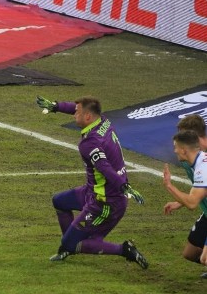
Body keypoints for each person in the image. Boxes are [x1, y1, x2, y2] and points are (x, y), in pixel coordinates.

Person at [36, 96, 149, 268]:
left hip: (105, 202)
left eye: (78, 113)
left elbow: (104, 167)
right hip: (92, 191)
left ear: (87, 116)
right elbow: (78, 108)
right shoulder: (103, 121)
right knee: (59, 201)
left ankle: (124, 249)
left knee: (79, 242)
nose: (74, 114)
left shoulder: (89, 143)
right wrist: (56, 106)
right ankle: (70, 244)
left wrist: (124, 186)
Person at [162, 129, 207, 271]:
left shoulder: (202, 168)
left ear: (183, 150)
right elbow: (197, 193)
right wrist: (178, 203)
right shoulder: (200, 161)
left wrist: (169, 185)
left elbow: (192, 203)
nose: (174, 151)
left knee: (205, 258)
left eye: (176, 147)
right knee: (191, 254)